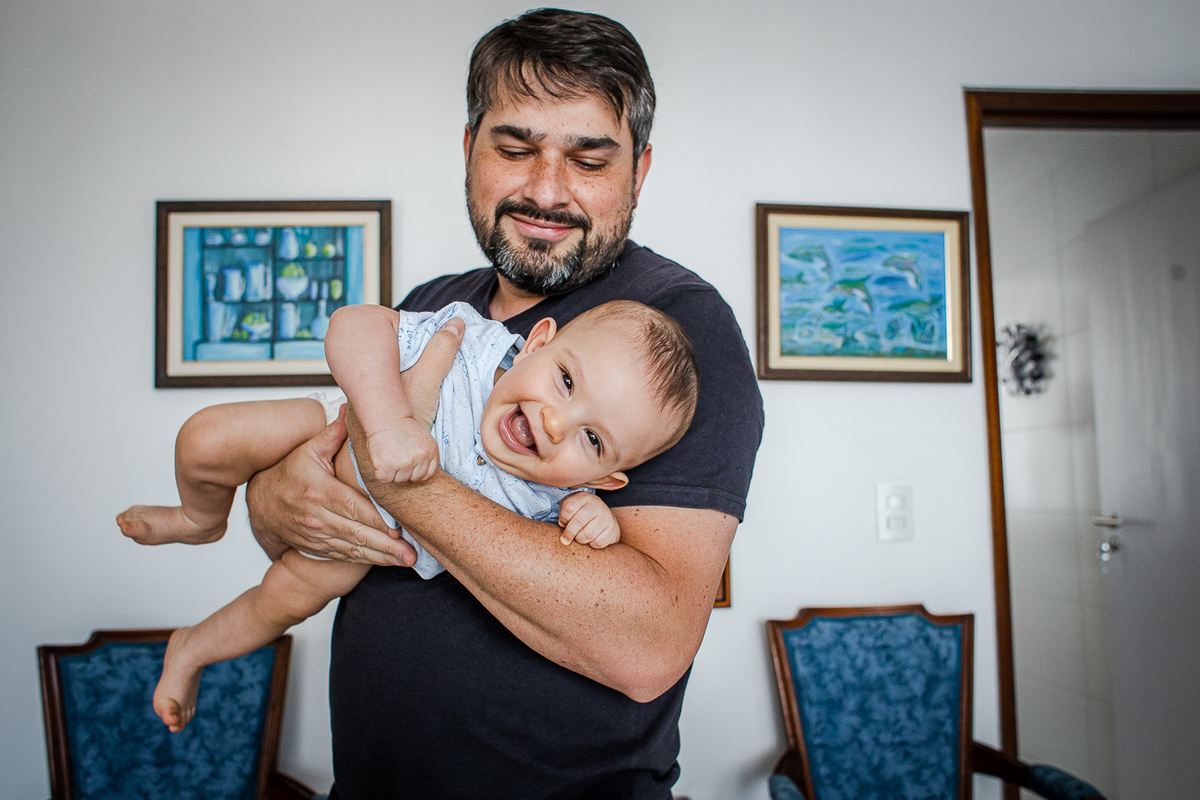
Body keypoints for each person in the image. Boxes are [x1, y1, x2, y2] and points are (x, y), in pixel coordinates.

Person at [245, 8, 765, 798]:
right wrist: (271, 501)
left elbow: (648, 644)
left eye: (588, 159)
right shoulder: (433, 305)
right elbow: (309, 513)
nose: (545, 191)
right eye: (515, 149)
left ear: (639, 171)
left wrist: (398, 478)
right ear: (469, 149)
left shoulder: (677, 338)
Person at [118, 298, 698, 732]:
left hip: (366, 546)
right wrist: (389, 422)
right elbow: (353, 325)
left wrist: (598, 521)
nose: (554, 422)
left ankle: (192, 647)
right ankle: (199, 519)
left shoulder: (556, 497)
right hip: (331, 429)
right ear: (536, 342)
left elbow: (583, 572)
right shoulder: (471, 344)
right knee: (206, 438)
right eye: (565, 381)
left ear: (605, 479)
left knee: (279, 604)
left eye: (592, 439)